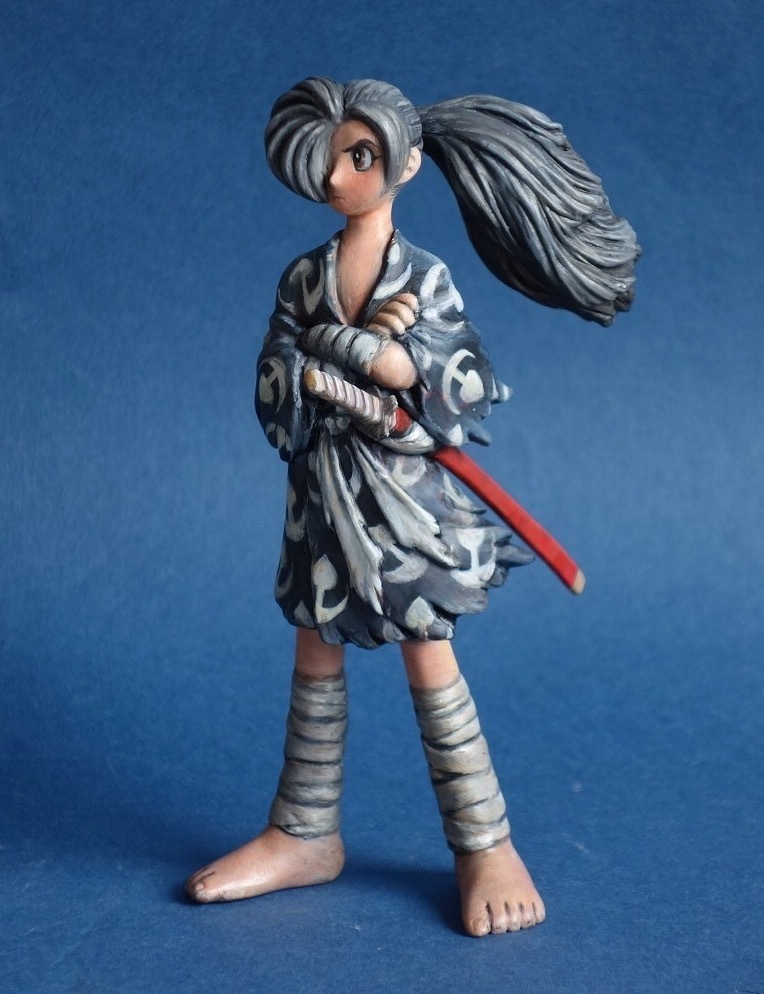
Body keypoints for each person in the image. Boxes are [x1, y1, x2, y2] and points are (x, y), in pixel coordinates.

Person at [186, 77, 638, 937]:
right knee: (315, 645)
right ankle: (304, 831)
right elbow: (274, 373)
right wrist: (313, 369)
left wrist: (394, 366)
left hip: (405, 505)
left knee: (428, 649)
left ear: (408, 165)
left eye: (360, 157)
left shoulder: (425, 279)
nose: (338, 176)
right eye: (331, 158)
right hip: (324, 494)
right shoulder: (304, 276)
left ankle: (484, 844)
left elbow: (463, 378)